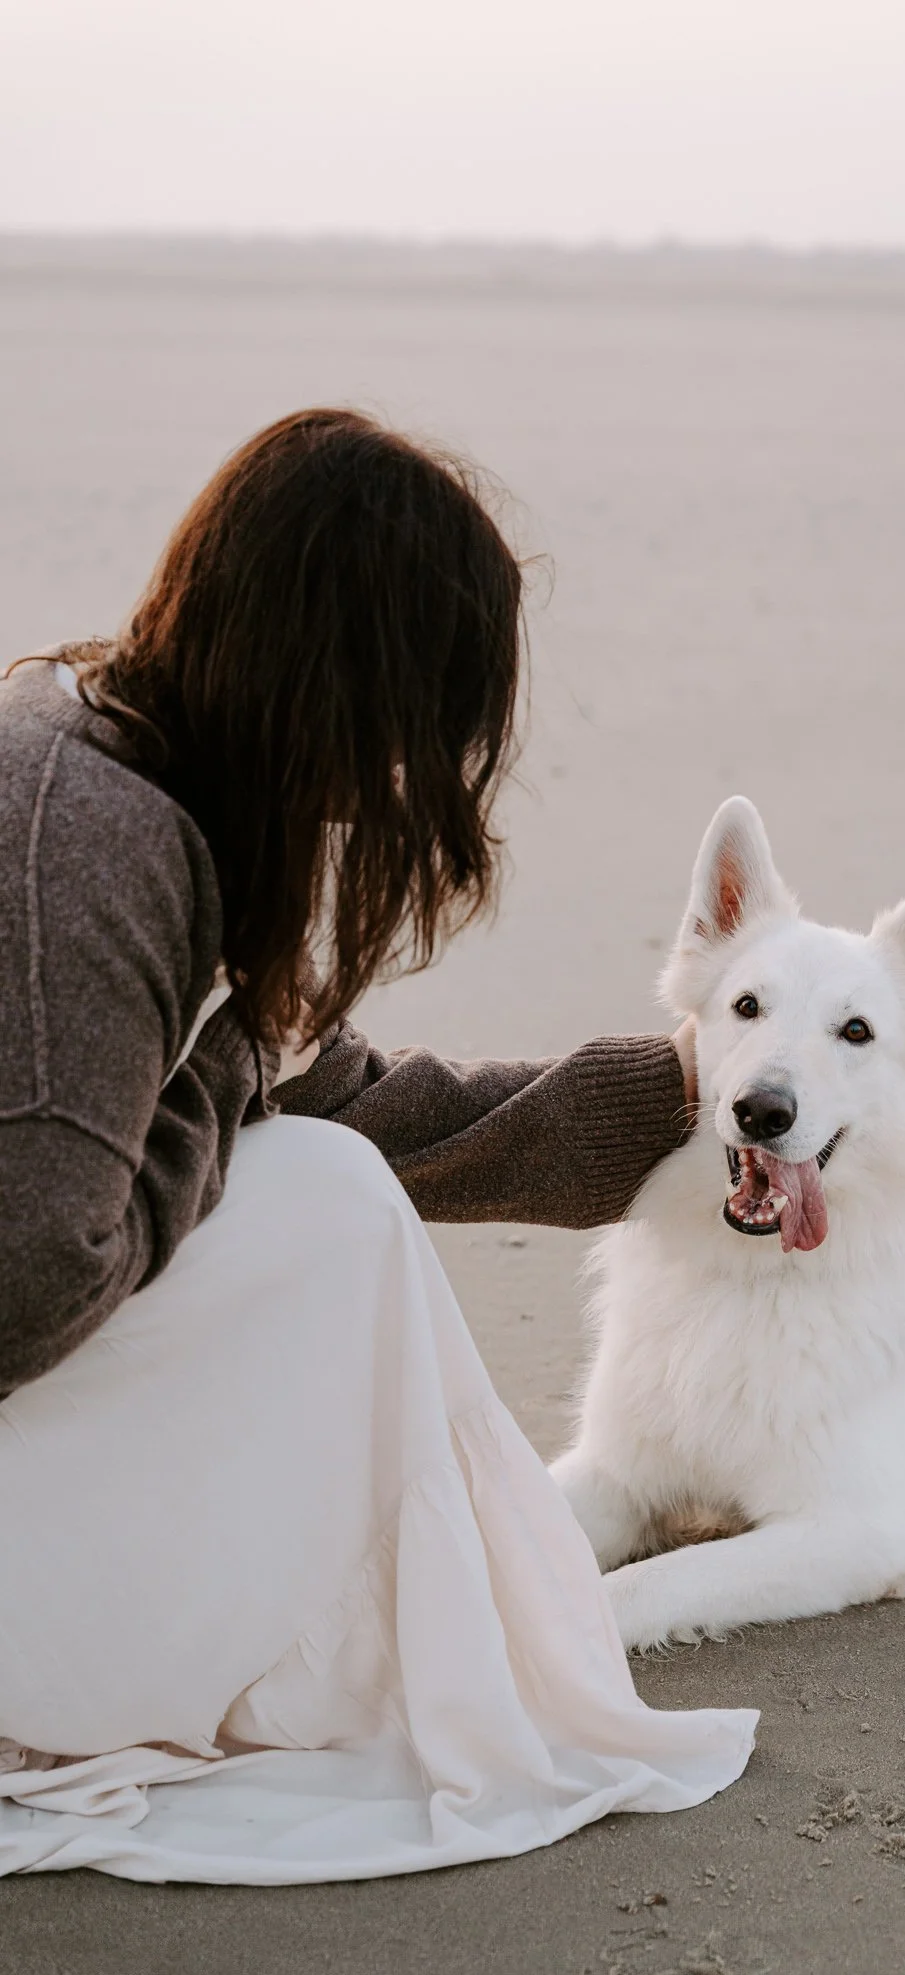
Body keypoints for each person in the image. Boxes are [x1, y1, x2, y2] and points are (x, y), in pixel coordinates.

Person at [0, 408, 754, 1883]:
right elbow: (29, 1272)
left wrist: (669, 1099)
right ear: (343, 677)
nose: (429, 769)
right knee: (322, 1205)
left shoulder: (147, 774)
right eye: (430, 711)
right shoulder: (93, 837)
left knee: (321, 1178)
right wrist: (222, 1092)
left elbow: (331, 1087)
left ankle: (259, 1638)